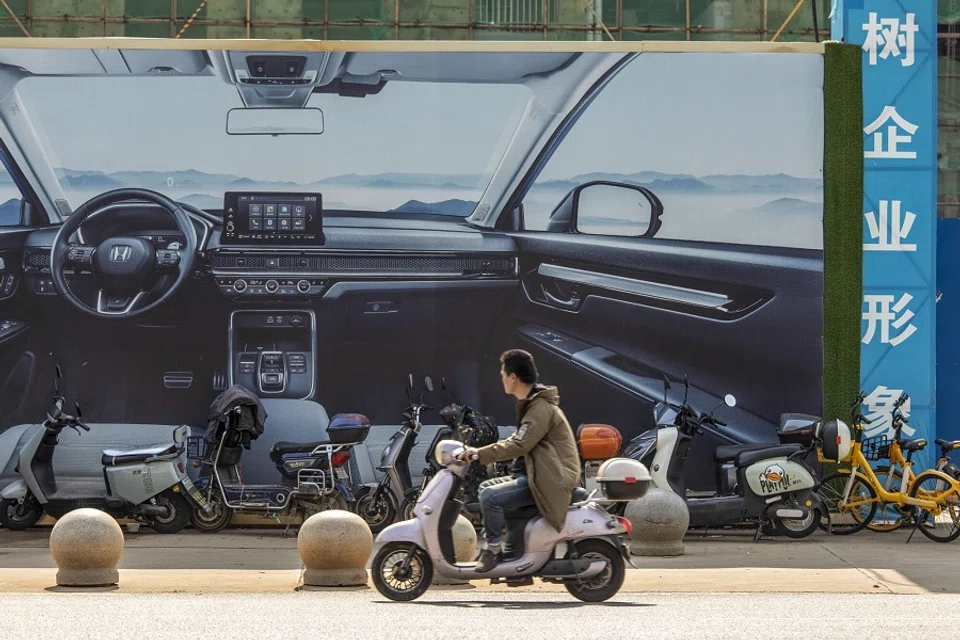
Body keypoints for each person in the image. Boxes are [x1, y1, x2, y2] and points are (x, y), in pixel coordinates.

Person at [457, 349, 581, 572]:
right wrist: (480, 451)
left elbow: (519, 445)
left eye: (503, 374)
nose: (502, 379)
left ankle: (493, 550)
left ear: (513, 377)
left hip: (548, 480)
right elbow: (519, 439)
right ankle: (511, 548)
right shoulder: (533, 405)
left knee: (489, 495)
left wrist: (478, 454)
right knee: (485, 487)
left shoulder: (539, 408)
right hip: (537, 475)